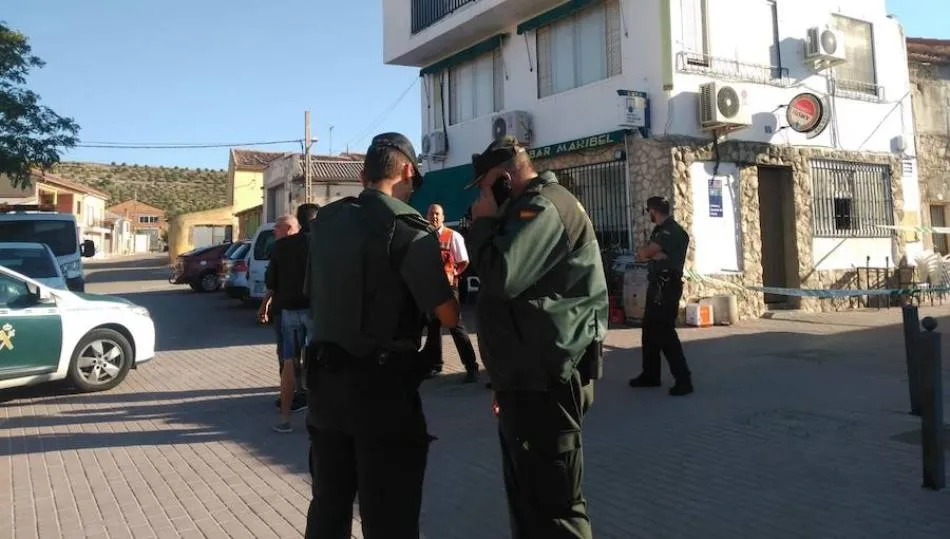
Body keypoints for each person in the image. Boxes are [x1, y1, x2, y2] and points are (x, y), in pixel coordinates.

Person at [304, 132, 460, 538]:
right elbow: (447, 313)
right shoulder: (409, 229)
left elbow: (313, 294)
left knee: (328, 506)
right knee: (389, 513)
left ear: (361, 175)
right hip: (382, 392)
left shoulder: (327, 222)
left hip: (324, 384)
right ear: (408, 170)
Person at [465, 136, 608, 539]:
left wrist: (484, 224)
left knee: (556, 506)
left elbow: (502, 276)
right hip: (525, 380)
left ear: (505, 178)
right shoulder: (520, 209)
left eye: (483, 184)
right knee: (529, 501)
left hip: (549, 381)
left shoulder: (543, 207)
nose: (480, 194)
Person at [628, 195, 694, 396]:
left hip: (666, 287)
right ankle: (650, 375)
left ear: (653, 211)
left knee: (664, 332)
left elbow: (645, 253)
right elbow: (645, 254)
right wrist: (652, 254)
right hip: (658, 285)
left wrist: (649, 253)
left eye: (648, 211)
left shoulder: (669, 231)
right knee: (649, 331)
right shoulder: (665, 231)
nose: (648, 214)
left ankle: (683, 380)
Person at [262, 214, 313, 432]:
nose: (274, 233)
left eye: (277, 228)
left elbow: (270, 281)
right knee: (315, 360)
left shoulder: (280, 248)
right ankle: (315, 411)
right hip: (313, 309)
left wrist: (265, 304)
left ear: (290, 227)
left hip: (289, 311)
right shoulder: (314, 244)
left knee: (288, 361)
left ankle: (285, 419)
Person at [422, 202, 480, 383]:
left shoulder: (453, 236)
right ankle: (435, 364)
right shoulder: (422, 238)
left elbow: (463, 261)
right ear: (426, 216)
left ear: (443, 217)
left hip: (448, 289)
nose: (434, 217)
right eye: (431, 214)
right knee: (432, 328)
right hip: (431, 288)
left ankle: (471, 367)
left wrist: (454, 274)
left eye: (437, 214)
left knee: (455, 327)